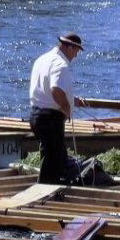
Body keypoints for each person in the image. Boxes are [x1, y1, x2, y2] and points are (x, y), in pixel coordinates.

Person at [29, 33, 83, 184]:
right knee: (53, 162)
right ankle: (45, 192)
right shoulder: (60, 64)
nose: (76, 56)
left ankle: (49, 188)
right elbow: (56, 90)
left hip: (36, 114)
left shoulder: (43, 59)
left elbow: (46, 90)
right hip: (50, 118)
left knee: (54, 157)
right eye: (76, 51)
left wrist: (72, 100)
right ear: (70, 48)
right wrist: (67, 108)